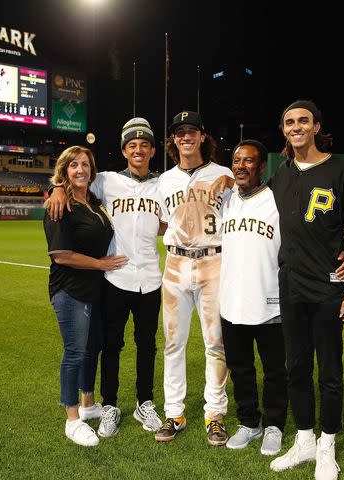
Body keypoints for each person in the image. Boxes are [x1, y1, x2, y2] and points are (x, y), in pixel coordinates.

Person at [266, 100, 344, 479]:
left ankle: (328, 445)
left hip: (328, 288)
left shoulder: (341, 170)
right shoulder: (281, 174)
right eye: (289, 121)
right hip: (290, 285)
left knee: (329, 371)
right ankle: (305, 439)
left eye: (303, 121)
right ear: (284, 129)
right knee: (295, 367)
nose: (296, 127)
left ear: (316, 126)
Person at [47, 118, 165, 438]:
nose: (138, 150)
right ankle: (110, 406)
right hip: (116, 277)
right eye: (132, 145)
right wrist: (57, 188)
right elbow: (76, 178)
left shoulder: (164, 184)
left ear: (152, 150)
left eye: (144, 145)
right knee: (111, 345)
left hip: (151, 278)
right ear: (124, 150)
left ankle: (145, 402)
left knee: (147, 345)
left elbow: (168, 221)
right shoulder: (108, 180)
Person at [154, 111, 233, 446]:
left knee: (216, 343)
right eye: (178, 132)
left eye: (191, 131)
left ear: (203, 137)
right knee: (173, 344)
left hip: (214, 264)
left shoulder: (224, 173)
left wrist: (229, 181)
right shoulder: (165, 180)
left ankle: (214, 414)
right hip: (174, 264)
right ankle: (174, 413)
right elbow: (160, 222)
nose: (185, 136)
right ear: (173, 140)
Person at [43, 145, 128, 447]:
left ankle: (88, 403)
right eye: (73, 165)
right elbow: (61, 256)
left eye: (86, 165)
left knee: (92, 348)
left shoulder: (93, 201)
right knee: (75, 352)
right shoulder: (59, 204)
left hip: (95, 290)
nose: (81, 170)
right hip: (70, 289)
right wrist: (101, 264)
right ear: (64, 170)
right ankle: (72, 419)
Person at [219, 140, 287, 456]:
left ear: (261, 167)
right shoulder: (226, 200)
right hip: (231, 301)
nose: (241, 166)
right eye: (236, 161)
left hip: (270, 300)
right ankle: (249, 423)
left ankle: (273, 425)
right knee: (241, 368)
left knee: (274, 370)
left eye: (249, 161)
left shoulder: (276, 198)